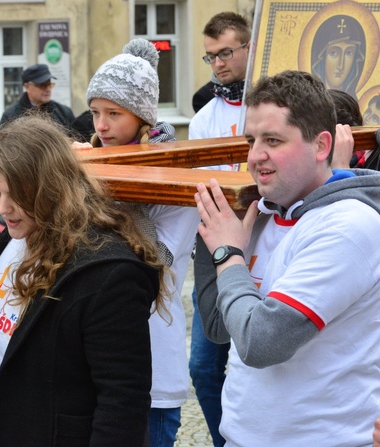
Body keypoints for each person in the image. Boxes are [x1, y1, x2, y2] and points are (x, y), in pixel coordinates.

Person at [0, 115, 166, 446]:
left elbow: (123, 401)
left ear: (50, 186)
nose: (3, 207)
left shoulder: (110, 272)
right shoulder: (17, 234)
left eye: (16, 194)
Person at [194, 70, 380, 446]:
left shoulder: (349, 225)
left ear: (321, 146)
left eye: (273, 140)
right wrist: (215, 232)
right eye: (251, 140)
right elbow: (217, 325)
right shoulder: (263, 215)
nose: (254, 156)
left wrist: (228, 254)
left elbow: (261, 343)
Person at [81, 38, 201, 447]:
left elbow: (155, 260)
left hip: (152, 365)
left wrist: (97, 191)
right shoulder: (91, 166)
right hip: (91, 362)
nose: (100, 125)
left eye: (114, 113)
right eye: (95, 112)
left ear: (143, 116)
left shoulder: (175, 179)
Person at [187, 12, 251, 446]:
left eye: (226, 52)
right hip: (215, 246)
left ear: (248, 47)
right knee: (203, 367)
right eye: (211, 57)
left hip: (264, 240)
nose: (218, 64)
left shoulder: (269, 107)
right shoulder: (202, 118)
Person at [0, 63, 76, 133]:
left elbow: (75, 142)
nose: (48, 89)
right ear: (27, 86)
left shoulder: (64, 112)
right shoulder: (10, 116)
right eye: (42, 85)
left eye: (50, 84)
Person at [311, 15, 365, 99]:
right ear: (321, 58)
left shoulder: (354, 106)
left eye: (349, 53)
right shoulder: (308, 104)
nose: (340, 66)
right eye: (333, 53)